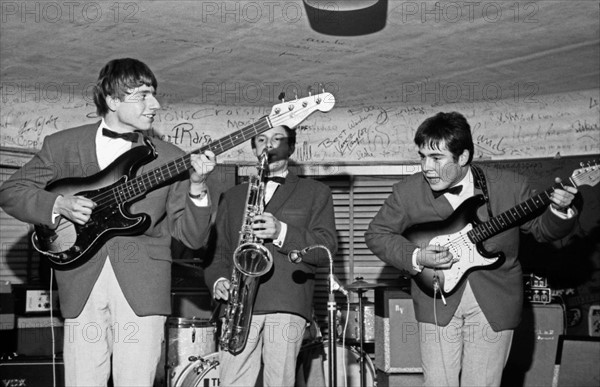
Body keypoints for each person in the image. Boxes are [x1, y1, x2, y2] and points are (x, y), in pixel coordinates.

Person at [0, 58, 216, 386]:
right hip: (79, 281)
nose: (155, 105)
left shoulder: (172, 157)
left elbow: (192, 236)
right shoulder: (62, 145)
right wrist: (58, 203)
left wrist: (198, 187)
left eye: (154, 95)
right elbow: (11, 192)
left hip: (142, 286)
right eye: (143, 95)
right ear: (113, 101)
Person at [365, 111, 578, 386]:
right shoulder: (407, 192)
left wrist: (560, 211)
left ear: (463, 157)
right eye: (422, 156)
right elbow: (376, 234)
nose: (426, 167)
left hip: (493, 301)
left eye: (437, 158)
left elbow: (543, 230)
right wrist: (417, 256)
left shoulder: (509, 186)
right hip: (436, 302)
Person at [204, 125, 337, 386]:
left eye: (278, 139)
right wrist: (219, 280)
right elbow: (217, 253)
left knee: (280, 382)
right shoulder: (231, 197)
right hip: (238, 303)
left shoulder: (316, 192)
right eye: (262, 139)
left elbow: (326, 248)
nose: (269, 144)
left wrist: (282, 232)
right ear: (254, 148)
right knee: (232, 381)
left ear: (291, 147)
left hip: (286, 302)